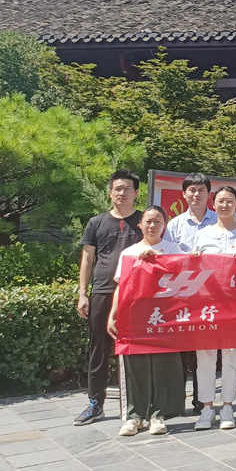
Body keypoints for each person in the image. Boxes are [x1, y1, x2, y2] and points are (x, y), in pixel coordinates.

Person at [108, 206, 185, 436]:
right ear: (140, 224)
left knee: (163, 364)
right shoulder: (129, 252)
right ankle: (135, 416)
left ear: (165, 225)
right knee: (135, 365)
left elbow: (181, 279)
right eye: (148, 221)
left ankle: (158, 414)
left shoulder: (173, 249)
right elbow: (121, 286)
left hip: (165, 316)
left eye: (157, 221)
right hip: (135, 317)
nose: (152, 226)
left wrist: (158, 260)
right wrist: (113, 314)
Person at [74, 169, 143, 426]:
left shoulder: (144, 220)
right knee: (99, 349)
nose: (122, 192)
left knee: (135, 349)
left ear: (136, 193)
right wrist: (83, 294)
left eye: (127, 188)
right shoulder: (96, 222)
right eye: (118, 188)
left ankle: (137, 404)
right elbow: (87, 259)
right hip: (103, 290)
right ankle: (95, 404)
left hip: (136, 293)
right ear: (110, 192)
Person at [191, 186, 236, 431]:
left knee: (231, 356)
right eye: (220, 201)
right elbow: (193, 270)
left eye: (230, 201)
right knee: (205, 357)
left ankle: (228, 406)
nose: (225, 205)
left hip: (234, 304)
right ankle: (207, 408)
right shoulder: (203, 234)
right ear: (213, 204)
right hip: (206, 304)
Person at [164, 173, 217, 252]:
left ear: (209, 194)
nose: (196, 194)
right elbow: (166, 252)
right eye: (192, 190)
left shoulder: (219, 221)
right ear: (184, 194)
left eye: (201, 190)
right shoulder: (174, 224)